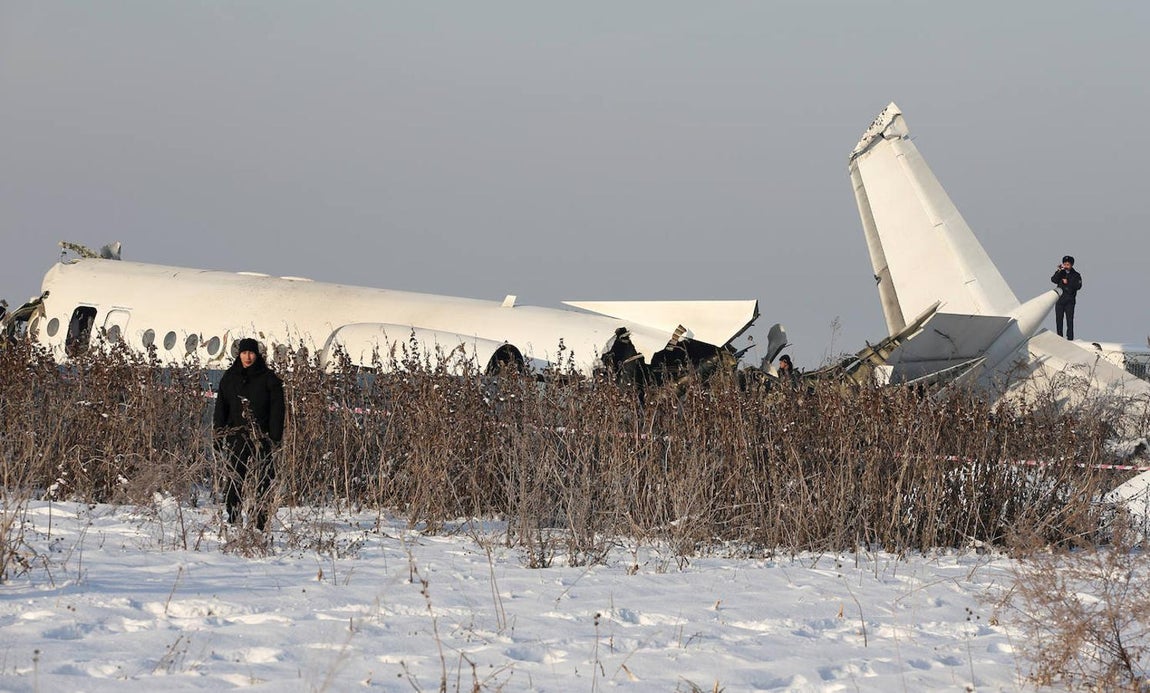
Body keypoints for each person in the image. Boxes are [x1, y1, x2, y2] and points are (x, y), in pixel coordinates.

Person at [213, 338, 285, 531]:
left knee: (265, 477)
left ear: (257, 354)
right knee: (236, 477)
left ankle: (260, 519)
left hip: (261, 437)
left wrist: (275, 437)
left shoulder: (268, 378)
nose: (247, 357)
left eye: (251, 353)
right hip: (237, 435)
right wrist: (219, 435)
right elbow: (221, 408)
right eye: (244, 353)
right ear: (239, 354)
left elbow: (277, 409)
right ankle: (234, 516)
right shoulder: (230, 377)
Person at [1050, 255, 1083, 340]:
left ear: (1071, 265)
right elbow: (1053, 280)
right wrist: (1058, 271)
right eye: (1065, 264)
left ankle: (1070, 338)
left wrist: (1067, 283)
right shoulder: (1061, 272)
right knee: (1059, 320)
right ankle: (1059, 337)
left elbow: (1078, 286)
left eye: (1068, 264)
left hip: (1070, 301)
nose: (1066, 266)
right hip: (1060, 300)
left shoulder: (1076, 275)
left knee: (1069, 320)